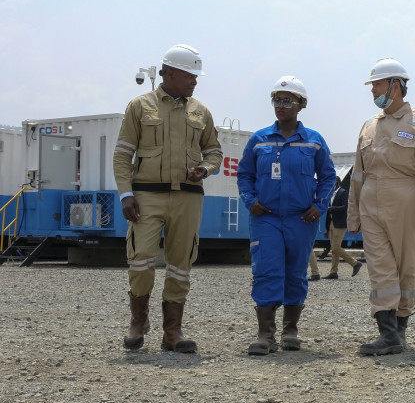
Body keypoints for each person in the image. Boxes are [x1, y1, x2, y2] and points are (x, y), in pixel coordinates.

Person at [115, 44, 222, 353]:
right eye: (190, 75)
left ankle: (172, 332)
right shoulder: (139, 106)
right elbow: (123, 154)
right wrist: (126, 194)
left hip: (188, 199)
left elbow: (214, 151)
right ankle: (138, 322)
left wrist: (206, 168)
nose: (195, 81)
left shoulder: (201, 112)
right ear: (170, 73)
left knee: (180, 264)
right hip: (146, 197)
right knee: (141, 259)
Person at [347, 58, 415, 356]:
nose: (373, 90)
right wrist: (353, 214)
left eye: (376, 84)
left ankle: (400, 329)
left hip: (406, 202)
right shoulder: (368, 126)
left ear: (395, 85)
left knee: (405, 268)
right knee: (379, 268)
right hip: (371, 204)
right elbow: (357, 175)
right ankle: (388, 334)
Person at [237, 75, 336, 356]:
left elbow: (328, 177)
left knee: (295, 273)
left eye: (287, 101)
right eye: (277, 100)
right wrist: (250, 200)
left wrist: (320, 205)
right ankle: (265, 335)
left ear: (301, 105)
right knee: (267, 271)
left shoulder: (314, 142)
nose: (281, 106)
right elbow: (244, 175)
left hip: (301, 219)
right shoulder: (259, 140)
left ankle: (290, 330)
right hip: (265, 217)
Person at [323, 176, 363, 280]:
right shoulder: (331, 194)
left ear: (336, 182)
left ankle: (355, 263)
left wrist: (332, 208)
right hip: (332, 223)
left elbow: (346, 207)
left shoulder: (343, 192)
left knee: (336, 247)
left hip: (340, 224)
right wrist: (327, 228)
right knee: (334, 249)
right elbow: (328, 213)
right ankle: (333, 272)